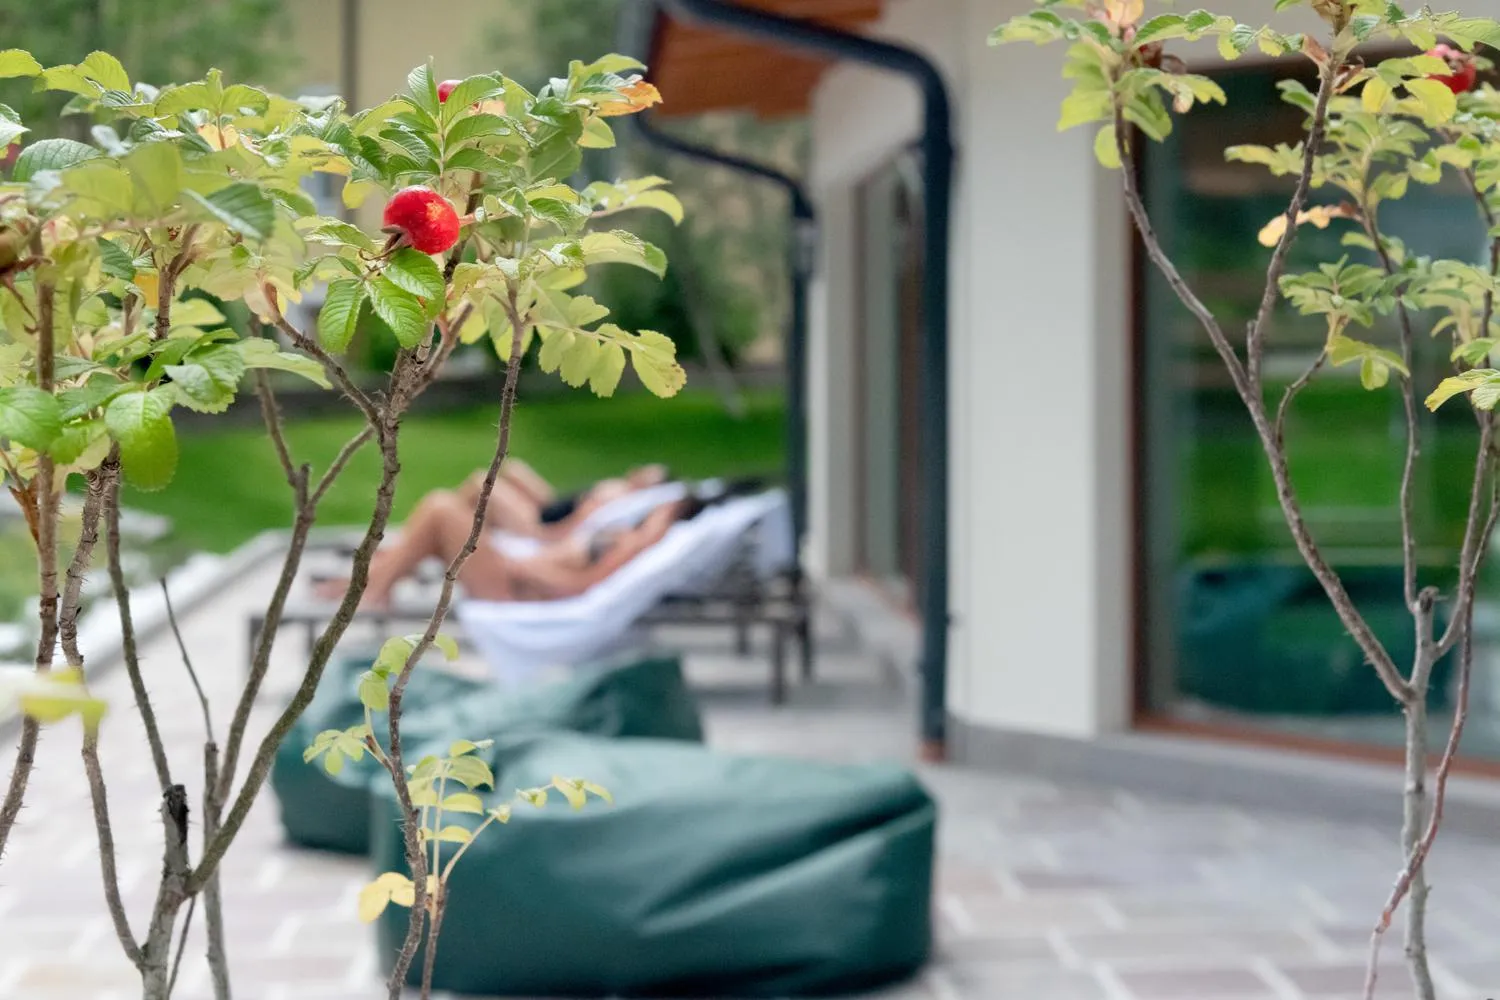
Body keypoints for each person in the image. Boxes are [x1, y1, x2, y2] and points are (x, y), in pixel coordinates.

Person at [314, 488, 710, 609]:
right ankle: (369, 583)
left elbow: (585, 586)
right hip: (518, 571)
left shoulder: (638, 544)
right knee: (439, 527)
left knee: (440, 508)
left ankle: (372, 589)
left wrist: (526, 568)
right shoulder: (635, 536)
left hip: (517, 588)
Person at [456, 460, 672, 539]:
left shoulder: (620, 500)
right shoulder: (621, 488)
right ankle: (455, 520)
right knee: (513, 468)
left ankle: (451, 519)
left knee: (481, 483)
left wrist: (545, 537)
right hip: (555, 505)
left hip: (542, 525)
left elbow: (579, 527)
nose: (641, 473)